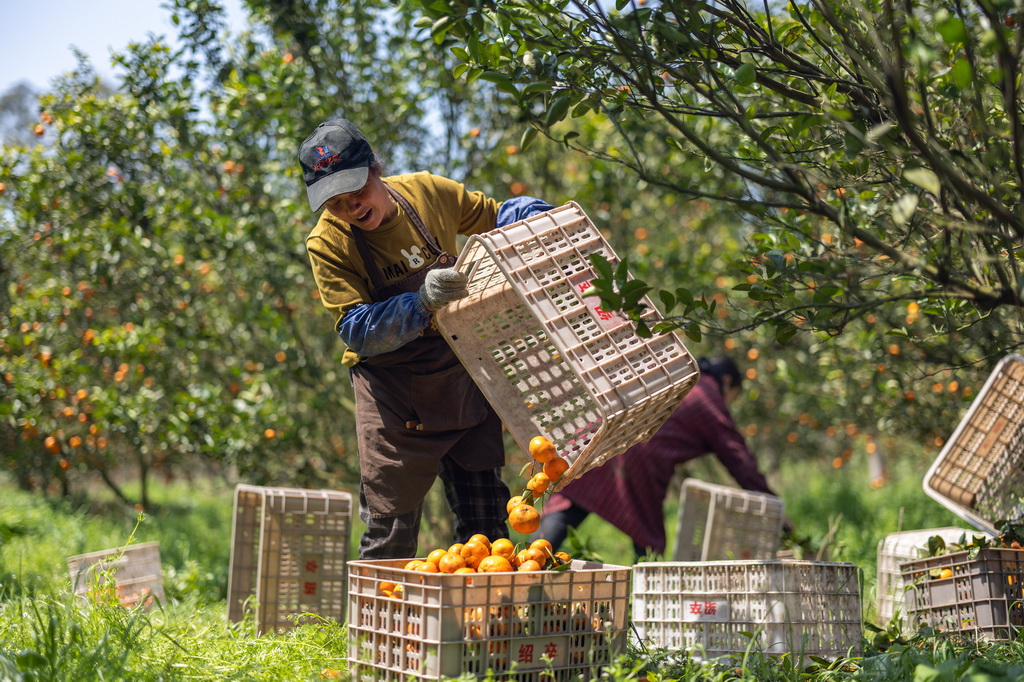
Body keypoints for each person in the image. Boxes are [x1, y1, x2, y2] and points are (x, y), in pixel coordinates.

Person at [299, 118, 553, 560]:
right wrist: (421, 303)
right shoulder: (328, 243)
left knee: (486, 525)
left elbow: (494, 215)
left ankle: (481, 624)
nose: (351, 207)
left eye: (356, 190)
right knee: (389, 525)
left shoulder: (427, 191)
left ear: (376, 167)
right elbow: (356, 328)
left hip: (457, 370)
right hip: (391, 390)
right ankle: (375, 626)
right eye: (335, 202)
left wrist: (535, 215)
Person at [533, 355, 789, 558]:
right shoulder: (708, 399)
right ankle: (642, 598)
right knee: (649, 541)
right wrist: (774, 509)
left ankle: (523, 567)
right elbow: (739, 461)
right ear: (728, 382)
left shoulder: (678, 377)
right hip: (639, 460)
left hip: (602, 440)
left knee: (571, 502)